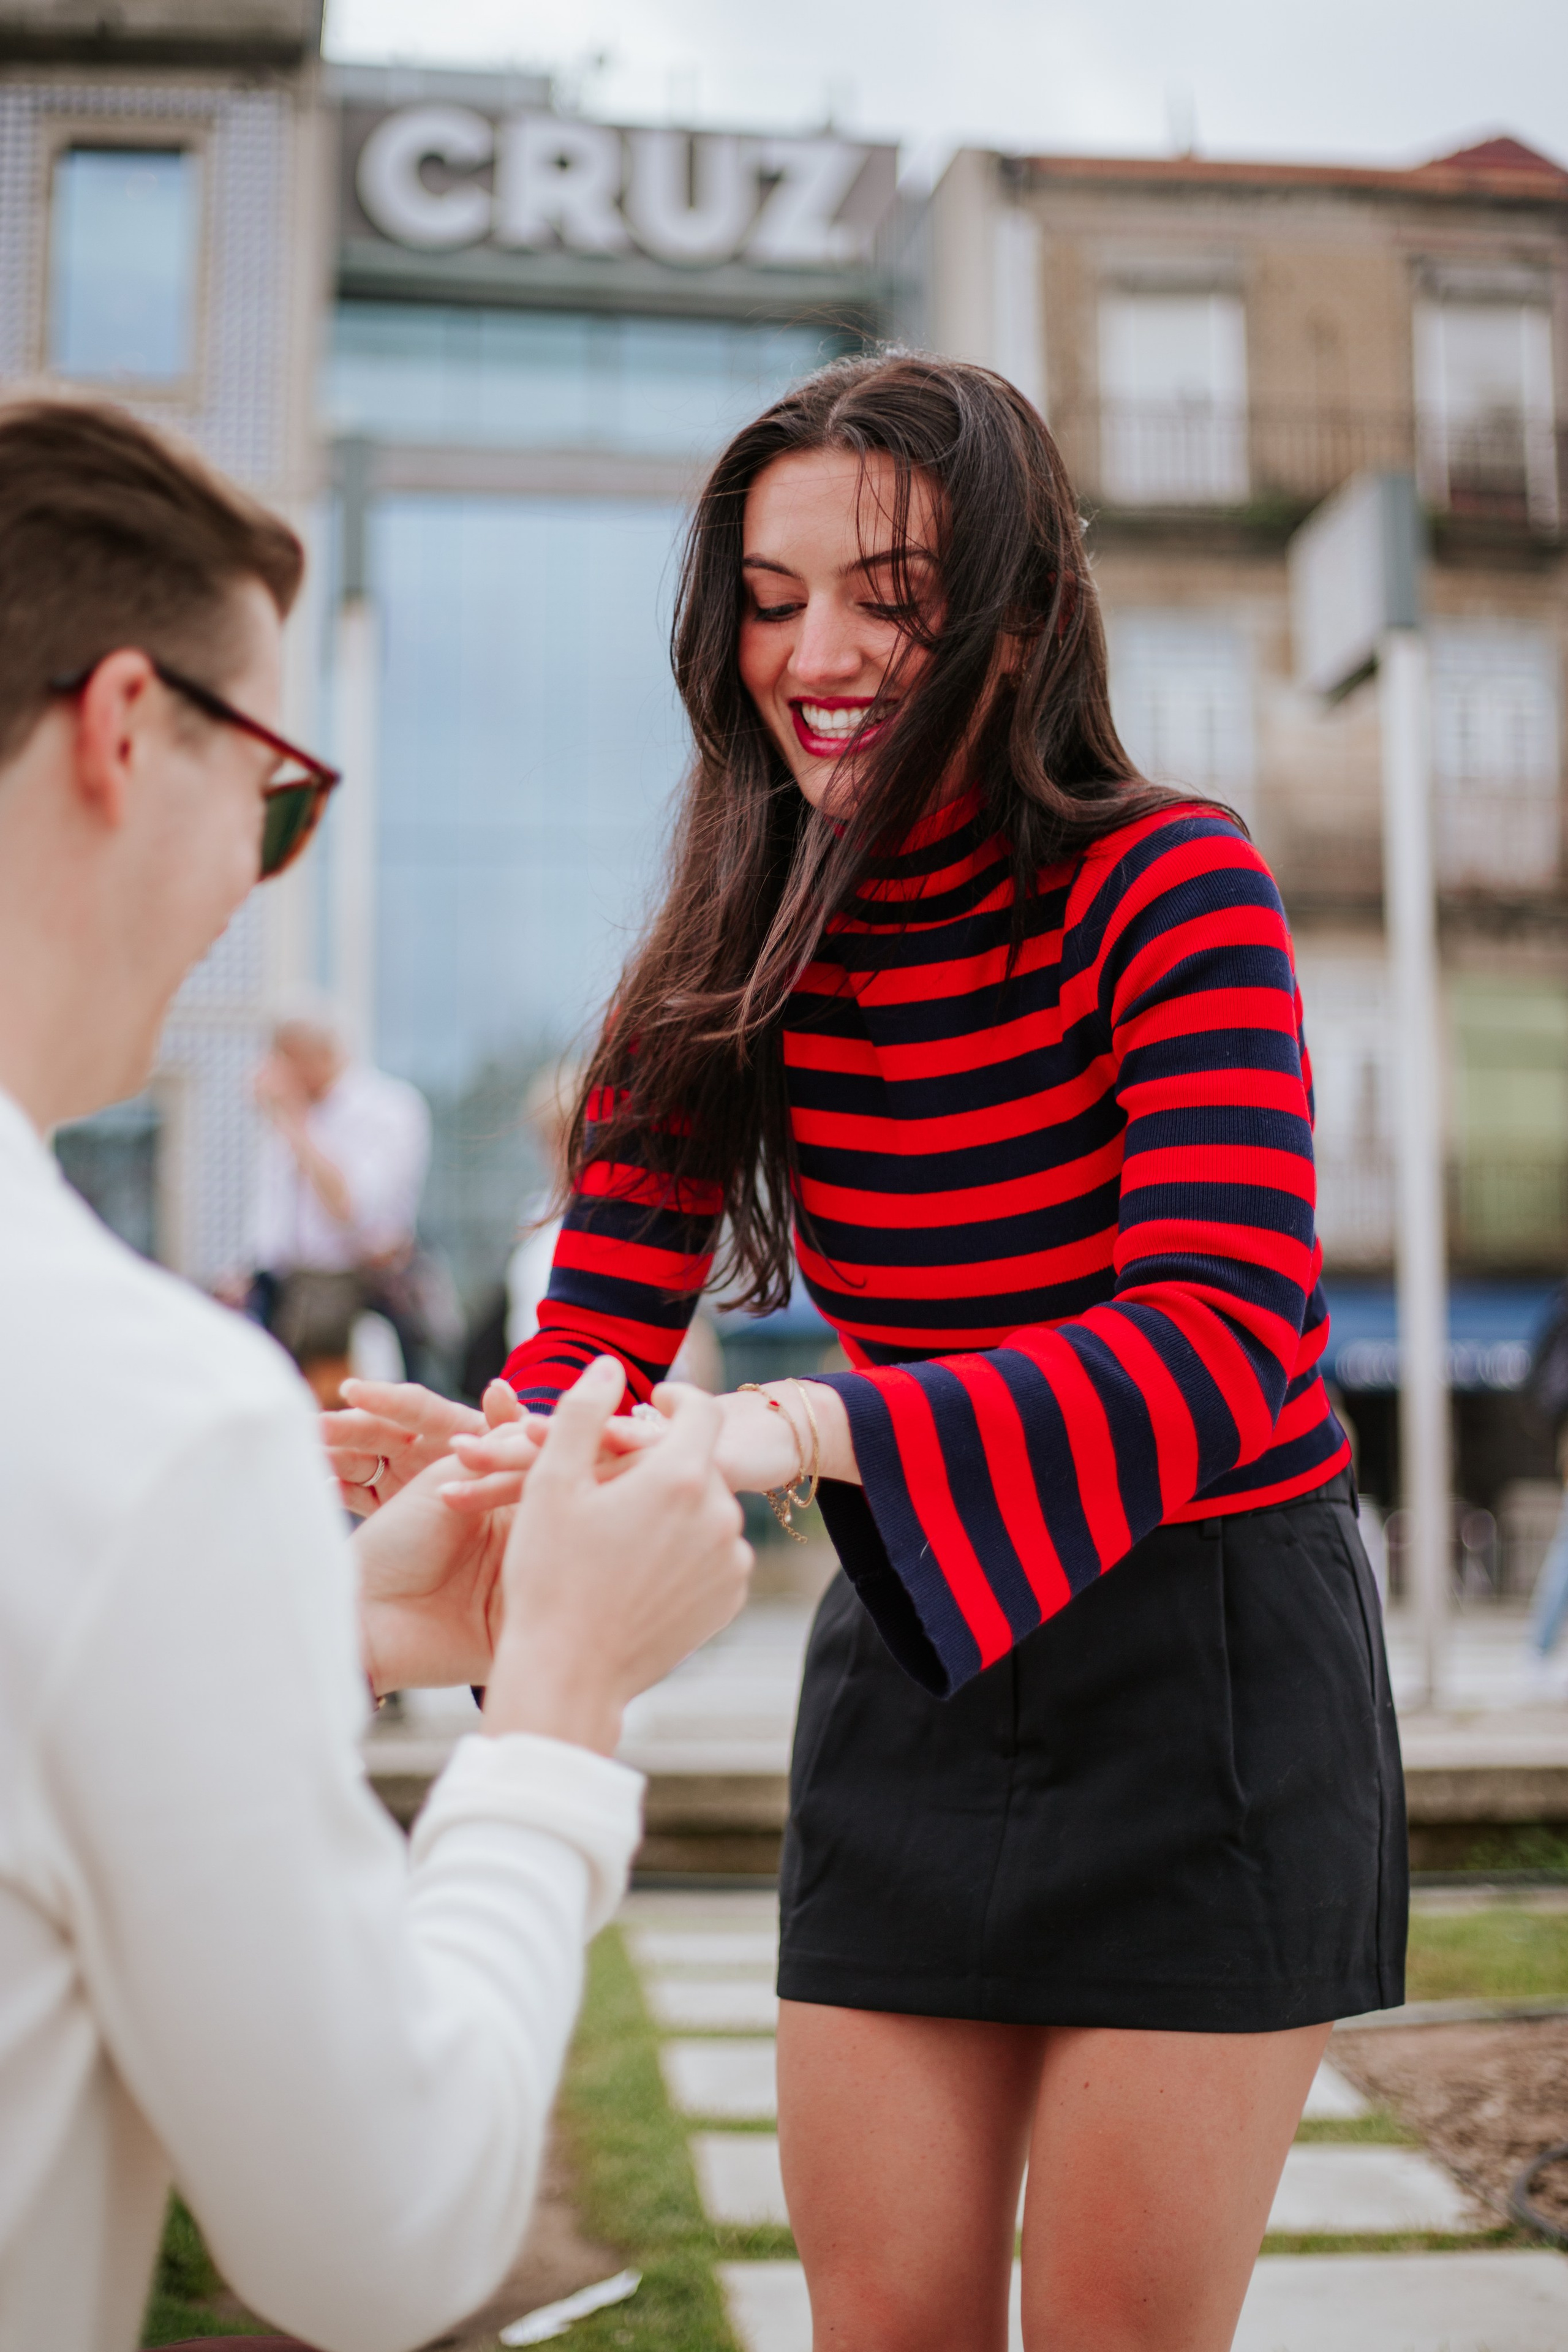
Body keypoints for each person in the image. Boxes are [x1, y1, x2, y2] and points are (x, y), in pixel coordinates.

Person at [326, 353, 1407, 2352]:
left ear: (1015, 609)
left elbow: (1220, 1329)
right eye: (770, 594)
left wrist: (789, 1424)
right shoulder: (721, 952)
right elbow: (591, 1349)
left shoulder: (1177, 886)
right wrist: (487, 1466)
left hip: (1213, 1674)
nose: (816, 652)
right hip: (922, 1651)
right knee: (882, 2325)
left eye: (888, 596)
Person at [0, 395, 752, 2352]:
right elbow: (382, 2236)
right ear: (118, 730)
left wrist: (301, 1632)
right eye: (283, 792)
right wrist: (561, 1698)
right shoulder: (138, 1407)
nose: (263, 866)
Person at [233, 989, 433, 1404]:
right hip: (288, 1298)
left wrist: (295, 1124)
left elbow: (351, 1208)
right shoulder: (294, 1114)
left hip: (356, 1300)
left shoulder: (388, 1109)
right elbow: (275, 1218)